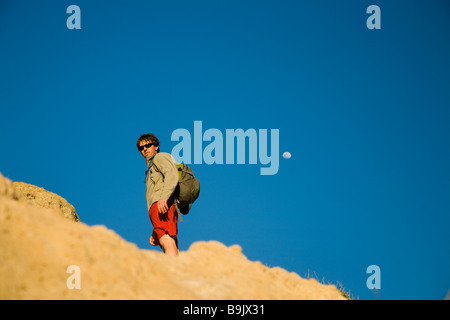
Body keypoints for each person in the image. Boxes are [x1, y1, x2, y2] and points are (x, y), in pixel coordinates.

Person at [137, 133, 179, 256]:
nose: (144, 149)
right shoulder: (150, 167)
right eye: (141, 148)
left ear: (156, 146)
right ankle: (179, 270)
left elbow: (172, 175)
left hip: (161, 204)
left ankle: (171, 270)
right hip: (163, 206)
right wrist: (155, 230)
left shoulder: (160, 157)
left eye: (148, 145)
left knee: (166, 241)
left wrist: (164, 197)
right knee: (169, 241)